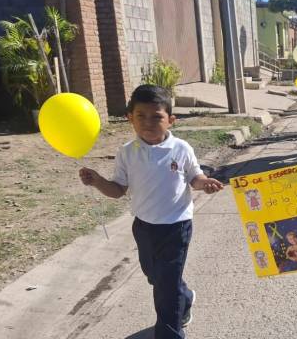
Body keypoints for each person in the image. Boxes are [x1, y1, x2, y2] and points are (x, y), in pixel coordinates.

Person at [79, 85, 224, 339]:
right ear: (130, 118)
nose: (148, 122)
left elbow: (195, 178)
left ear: (171, 120)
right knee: (156, 278)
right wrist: (97, 180)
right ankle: (186, 298)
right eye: (140, 116)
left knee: (165, 288)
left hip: (177, 227)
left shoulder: (181, 148)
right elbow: (118, 190)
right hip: (144, 227)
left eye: (156, 116)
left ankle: (170, 332)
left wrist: (205, 184)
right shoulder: (126, 152)